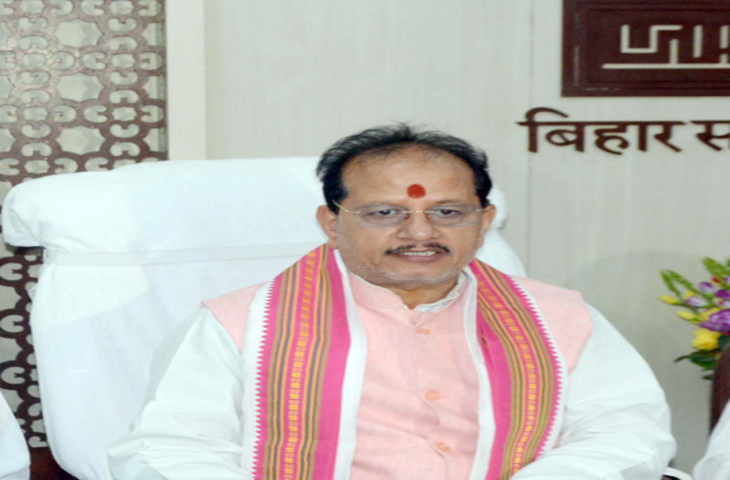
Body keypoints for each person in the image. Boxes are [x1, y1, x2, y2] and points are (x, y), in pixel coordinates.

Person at [109, 125, 676, 479]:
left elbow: (626, 432)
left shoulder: (559, 319)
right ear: (331, 223)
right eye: (385, 213)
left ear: (484, 222)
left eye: (448, 212)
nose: (419, 232)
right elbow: (169, 451)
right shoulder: (239, 325)